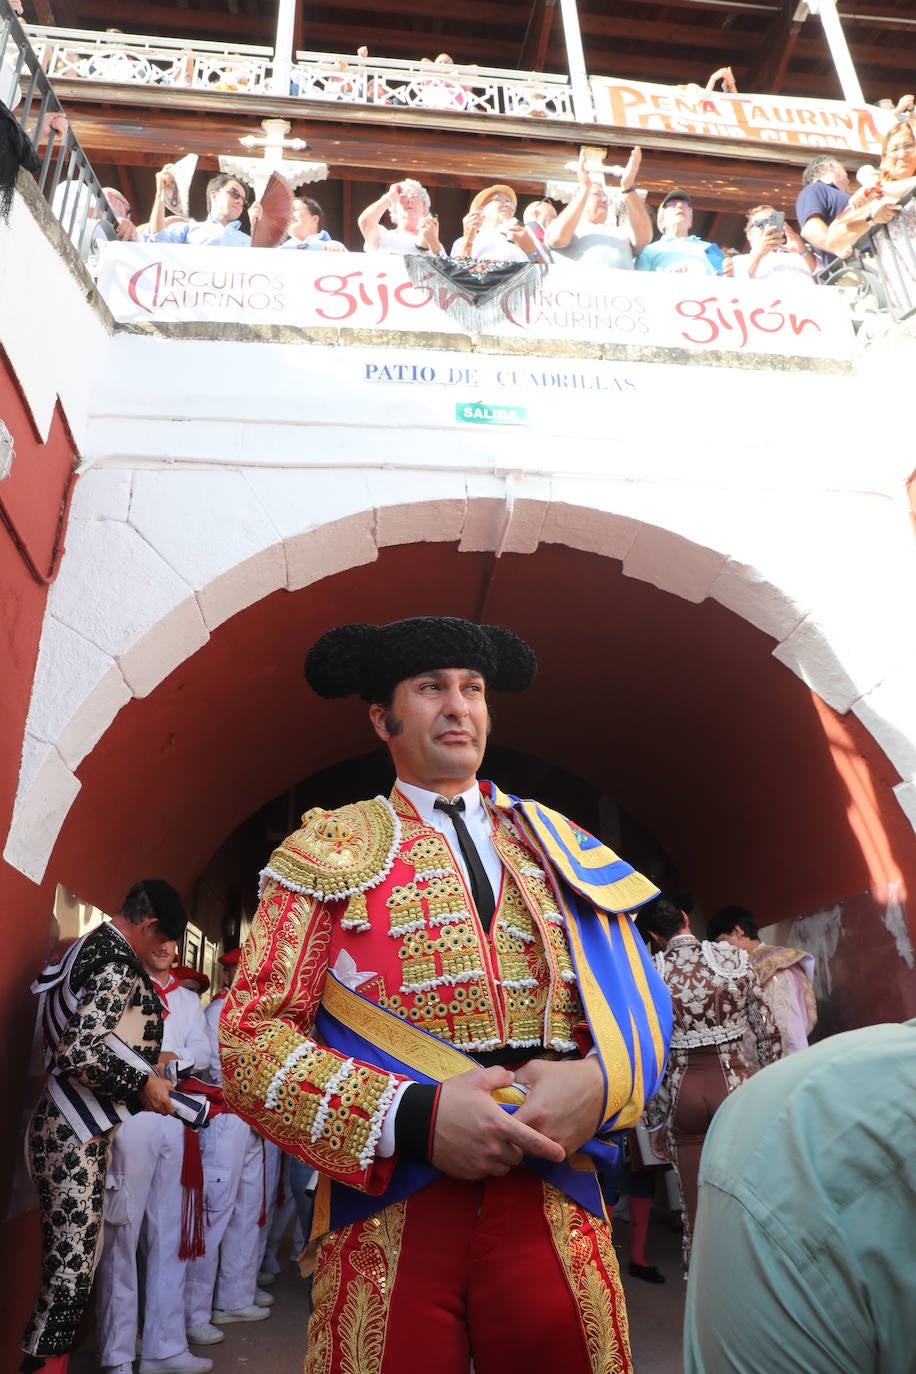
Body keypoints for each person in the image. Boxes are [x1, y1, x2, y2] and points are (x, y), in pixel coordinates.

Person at [219, 615, 673, 1374]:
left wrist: (597, 1085)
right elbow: (249, 1040)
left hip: (554, 1194)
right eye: (432, 688)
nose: (459, 707)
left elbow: (644, 1010)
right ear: (381, 718)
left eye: (473, 689)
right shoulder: (326, 850)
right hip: (391, 1206)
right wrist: (413, 1115)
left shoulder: (557, 844)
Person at [20, 880, 187, 1374]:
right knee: (70, 1282)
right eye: (164, 940)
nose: (167, 952)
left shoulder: (92, 944)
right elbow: (80, 1053)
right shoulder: (116, 964)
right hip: (74, 1132)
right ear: (150, 925)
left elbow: (87, 1037)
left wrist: (153, 1061)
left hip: (65, 1126)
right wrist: (143, 1083)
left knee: (69, 1276)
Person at [684, 1019, 916, 1374]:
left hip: (698, 1088)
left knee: (700, 1203)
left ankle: (690, 1275)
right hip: (733, 1078)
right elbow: (771, 1032)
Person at [637, 895, 781, 1272]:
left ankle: (706, 1286)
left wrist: (654, 1122)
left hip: (684, 1092)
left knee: (695, 1208)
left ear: (654, 934)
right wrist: (770, 1089)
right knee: (750, 1190)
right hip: (735, 1086)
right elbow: (768, 1032)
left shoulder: (650, 972)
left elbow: (650, 1055)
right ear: (686, 919)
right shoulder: (733, 958)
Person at [96, 928, 212, 1374]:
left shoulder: (185, 1000)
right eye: (159, 938)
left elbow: (201, 1051)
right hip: (132, 1119)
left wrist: (166, 1059)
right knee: (123, 1235)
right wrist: (161, 1058)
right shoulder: (123, 985)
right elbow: (110, 1047)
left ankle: (164, 1347)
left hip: (176, 1118)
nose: (167, 949)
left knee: (170, 1235)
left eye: (173, 941)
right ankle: (118, 1357)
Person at [184, 949, 271, 1343]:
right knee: (214, 1214)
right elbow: (222, 1070)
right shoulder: (219, 1013)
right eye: (245, 970)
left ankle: (236, 1295)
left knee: (247, 1208)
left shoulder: (252, 1014)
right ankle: (194, 1312)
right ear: (231, 971)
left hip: (250, 1120)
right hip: (224, 1119)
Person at [706, 904, 817, 1057]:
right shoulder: (751, 967)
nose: (722, 953)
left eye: (722, 942)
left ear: (738, 931)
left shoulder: (775, 966)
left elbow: (788, 1029)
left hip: (786, 1060)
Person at [548, 148, 652, 270]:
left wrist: (628, 186)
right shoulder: (563, 227)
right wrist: (585, 188)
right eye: (598, 194)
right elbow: (557, 239)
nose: (605, 200)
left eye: (605, 196)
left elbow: (644, 238)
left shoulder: (621, 232)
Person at [795, 154, 896, 271]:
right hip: (860, 266)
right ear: (831, 166)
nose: (848, 180)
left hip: (882, 259)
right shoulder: (815, 189)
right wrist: (836, 248)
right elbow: (810, 229)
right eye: (845, 172)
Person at [144, 171, 254, 247]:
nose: (239, 201)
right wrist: (160, 193)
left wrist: (257, 227)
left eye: (244, 201)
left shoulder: (249, 241)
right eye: (234, 193)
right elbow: (158, 241)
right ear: (214, 195)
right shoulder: (188, 229)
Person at [730, 204, 815, 285]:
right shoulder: (737, 262)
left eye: (773, 222)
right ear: (749, 234)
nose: (768, 227)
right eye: (761, 224)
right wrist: (758, 256)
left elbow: (823, 274)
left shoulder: (798, 256)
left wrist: (803, 250)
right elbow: (738, 288)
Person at [451, 184, 538, 262]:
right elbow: (458, 276)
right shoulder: (461, 243)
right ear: (481, 209)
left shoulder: (521, 241)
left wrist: (532, 250)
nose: (508, 205)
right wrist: (468, 242)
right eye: (501, 199)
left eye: (512, 205)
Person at [357, 178, 442, 255]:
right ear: (394, 208)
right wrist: (389, 197)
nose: (409, 200)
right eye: (403, 196)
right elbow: (365, 222)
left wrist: (434, 244)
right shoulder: (382, 236)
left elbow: (448, 271)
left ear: (424, 209)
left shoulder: (432, 243)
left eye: (414, 196)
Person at [280, 196, 345, 251]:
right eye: (287, 211)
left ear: (314, 219)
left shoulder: (334, 247)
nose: (289, 215)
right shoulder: (280, 250)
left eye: (294, 209)